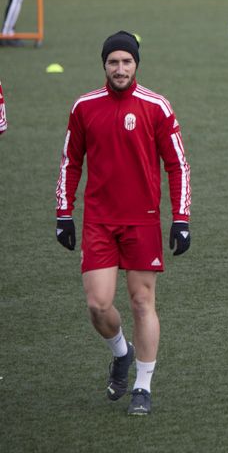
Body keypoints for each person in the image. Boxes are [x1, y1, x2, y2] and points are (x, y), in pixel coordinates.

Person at [55, 31, 192, 416]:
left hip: (142, 220)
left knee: (141, 301)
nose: (120, 69)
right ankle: (122, 352)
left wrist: (181, 219)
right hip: (99, 220)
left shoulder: (157, 106)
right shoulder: (84, 107)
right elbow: (71, 161)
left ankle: (142, 386)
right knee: (98, 305)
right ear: (104, 65)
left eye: (126, 62)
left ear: (136, 64)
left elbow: (177, 164)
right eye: (113, 62)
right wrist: (64, 212)